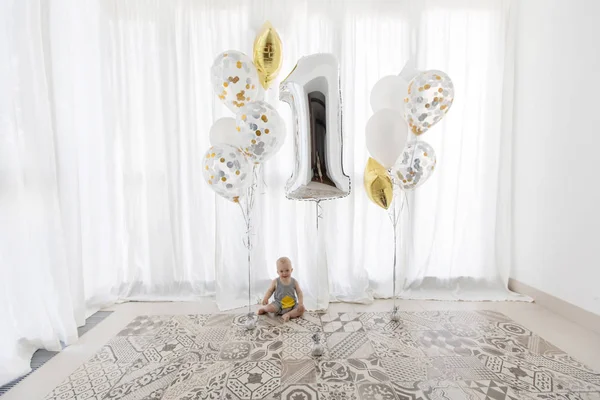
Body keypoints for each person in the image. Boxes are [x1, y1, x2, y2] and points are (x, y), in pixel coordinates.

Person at [257, 256, 305, 322]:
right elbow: (270, 291)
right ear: (278, 272)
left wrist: (300, 303)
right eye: (281, 271)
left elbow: (299, 292)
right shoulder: (276, 281)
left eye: (287, 270)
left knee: (302, 309)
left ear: (291, 270)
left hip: (292, 305)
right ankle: (264, 309)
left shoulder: (294, 282)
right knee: (270, 308)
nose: (284, 273)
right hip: (278, 304)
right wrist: (266, 298)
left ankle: (288, 314)